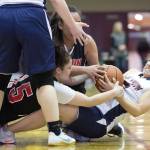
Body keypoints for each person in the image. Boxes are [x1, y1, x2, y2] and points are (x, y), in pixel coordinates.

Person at [0, 0, 89, 146]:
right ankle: (55, 132)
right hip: (32, 13)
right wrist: (73, 26)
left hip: (3, 15)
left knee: (1, 80)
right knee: (44, 80)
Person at [3, 60, 150, 142]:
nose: (148, 64)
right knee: (53, 100)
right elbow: (113, 85)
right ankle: (81, 131)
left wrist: (116, 93)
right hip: (93, 108)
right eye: (149, 61)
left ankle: (6, 132)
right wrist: (102, 78)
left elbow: (136, 111)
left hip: (99, 119)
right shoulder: (132, 72)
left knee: (56, 107)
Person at [0, 47, 123, 144]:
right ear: (58, 70)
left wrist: (87, 73)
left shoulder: (35, 70)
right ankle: (7, 131)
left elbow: (69, 80)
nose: (71, 71)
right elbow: (89, 101)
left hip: (4, 106)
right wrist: (114, 92)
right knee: (51, 112)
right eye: (69, 68)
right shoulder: (53, 88)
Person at [50, 5, 101, 93]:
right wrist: (86, 70)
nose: (77, 27)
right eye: (72, 23)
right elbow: (58, 70)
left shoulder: (87, 42)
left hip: (77, 90)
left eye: (79, 22)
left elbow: (96, 70)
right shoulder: (50, 42)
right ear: (60, 25)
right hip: (53, 89)